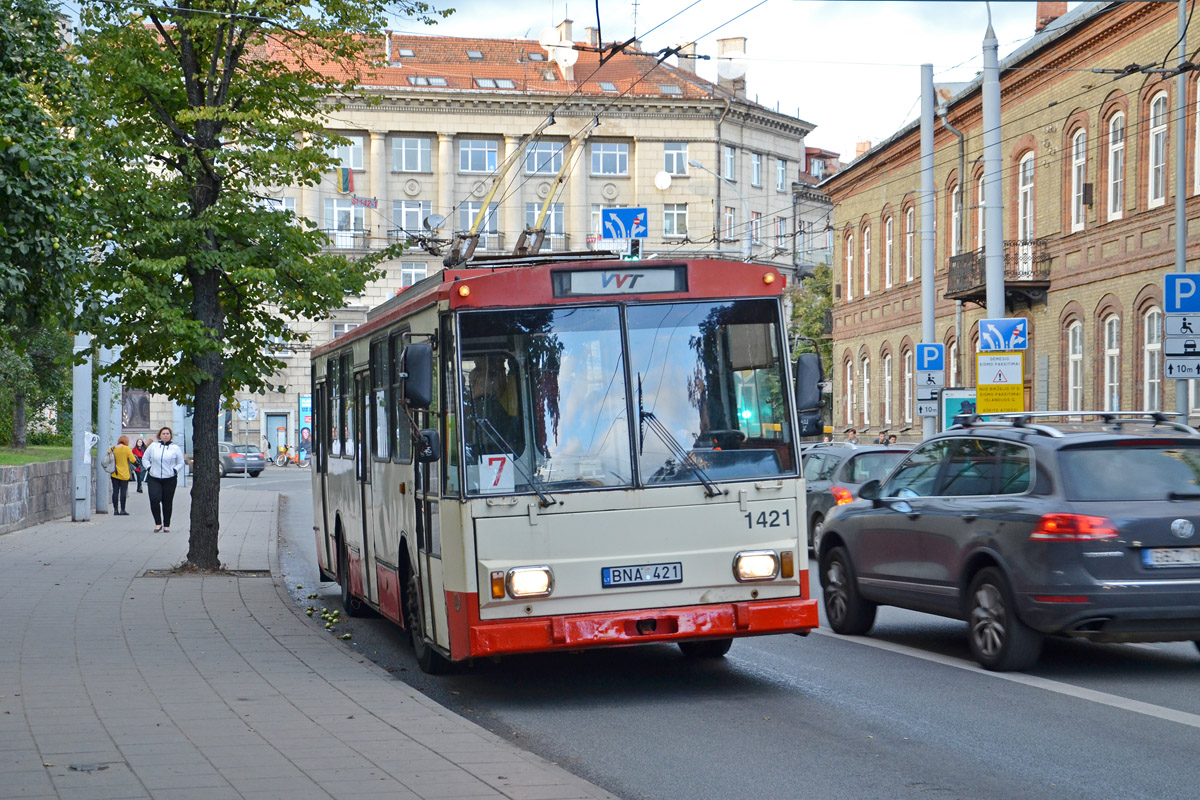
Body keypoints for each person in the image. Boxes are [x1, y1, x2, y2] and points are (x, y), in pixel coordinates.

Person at [144, 426, 186, 532]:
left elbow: (181, 462)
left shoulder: (175, 448)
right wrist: (149, 468)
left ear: (170, 435)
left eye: (167, 434)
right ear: (160, 435)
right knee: (154, 499)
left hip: (169, 478)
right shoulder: (153, 446)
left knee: (167, 502)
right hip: (154, 477)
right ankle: (158, 523)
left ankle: (166, 525)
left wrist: (175, 470)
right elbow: (145, 458)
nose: (165, 435)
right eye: (163, 434)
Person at [107, 435, 138, 516]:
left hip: (114, 473)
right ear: (126, 441)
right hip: (124, 474)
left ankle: (115, 510)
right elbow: (133, 460)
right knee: (123, 492)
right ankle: (122, 510)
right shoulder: (126, 449)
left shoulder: (112, 448)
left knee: (115, 491)